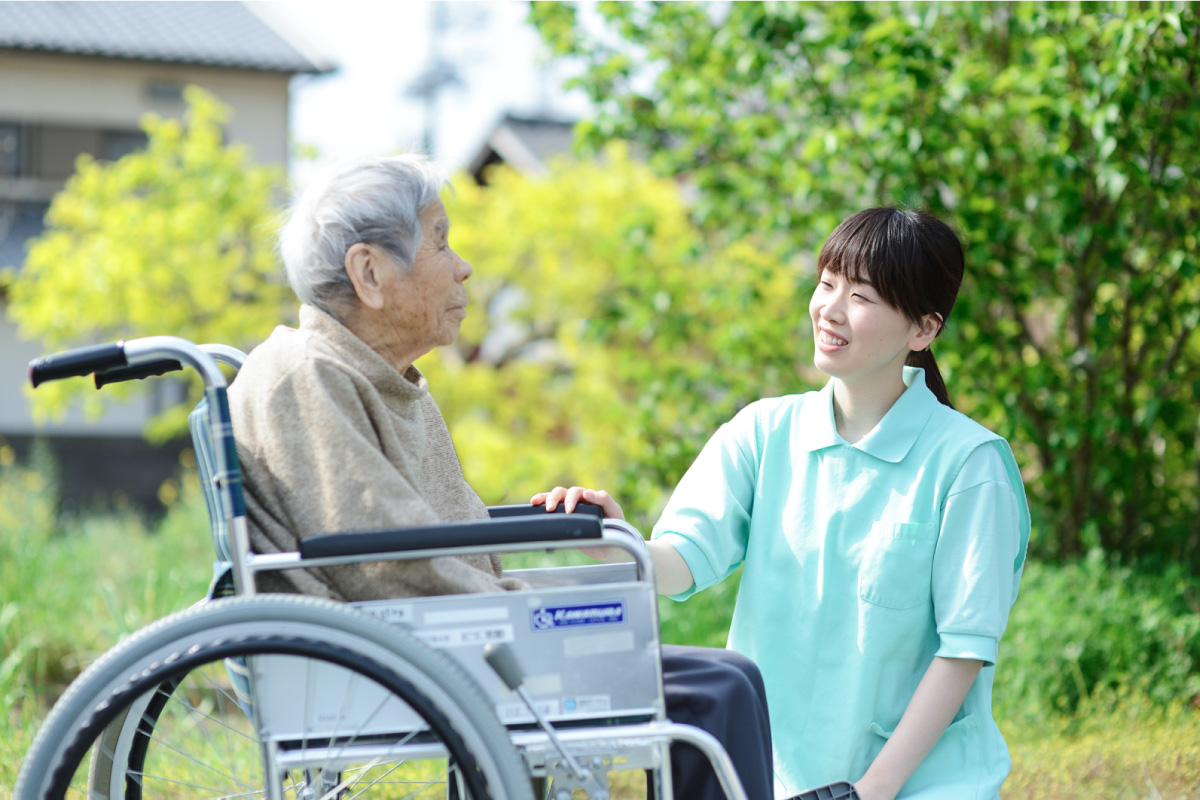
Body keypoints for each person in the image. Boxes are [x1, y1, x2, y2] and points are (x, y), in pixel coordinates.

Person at [227, 154, 773, 800]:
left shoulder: (382, 378)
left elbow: (440, 535)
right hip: (380, 653)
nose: (463, 266)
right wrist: (527, 616)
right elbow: (378, 558)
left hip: (442, 634)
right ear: (369, 272)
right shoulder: (304, 375)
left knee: (730, 677)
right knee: (718, 689)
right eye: (439, 242)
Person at [535, 207, 1031, 800]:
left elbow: (962, 652)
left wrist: (871, 792)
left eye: (862, 296)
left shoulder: (970, 463)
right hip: (768, 781)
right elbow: (676, 566)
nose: (830, 309)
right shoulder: (763, 431)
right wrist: (616, 538)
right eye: (826, 285)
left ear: (923, 329)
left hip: (919, 786)